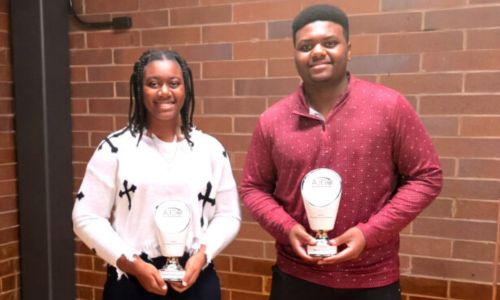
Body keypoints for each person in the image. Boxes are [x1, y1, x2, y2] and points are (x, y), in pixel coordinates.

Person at [239, 4, 442, 300]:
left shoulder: (389, 107)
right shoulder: (272, 120)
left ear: (349, 49)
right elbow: (253, 187)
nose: (317, 52)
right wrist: (287, 228)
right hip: (296, 277)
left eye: (330, 43)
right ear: (295, 55)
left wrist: (369, 234)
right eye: (305, 46)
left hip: (372, 278)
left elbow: (426, 177)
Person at [72, 49, 241, 300]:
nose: (164, 92)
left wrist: (202, 256)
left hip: (195, 275)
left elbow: (228, 215)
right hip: (131, 279)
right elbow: (85, 217)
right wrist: (132, 264)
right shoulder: (115, 148)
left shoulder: (210, 149)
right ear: (140, 91)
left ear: (186, 89)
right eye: (153, 84)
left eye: (174, 83)